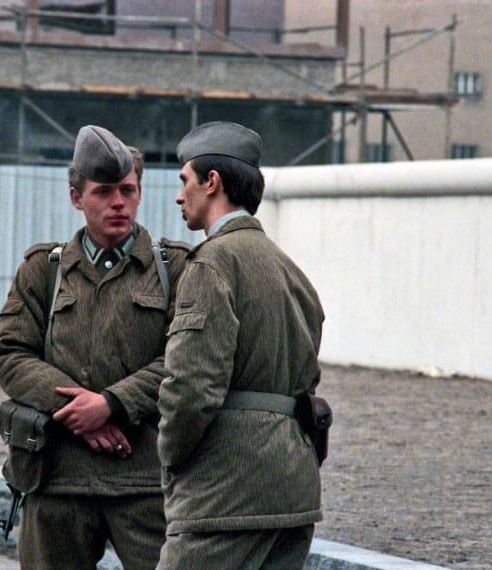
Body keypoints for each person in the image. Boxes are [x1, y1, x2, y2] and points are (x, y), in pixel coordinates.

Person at [0, 125, 189, 569]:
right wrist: (81, 415)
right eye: (103, 192)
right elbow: (11, 353)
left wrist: (112, 404)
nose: (118, 203)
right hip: (58, 479)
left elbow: (186, 360)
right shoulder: (44, 270)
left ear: (140, 193)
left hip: (144, 485)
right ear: (76, 198)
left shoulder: (175, 268)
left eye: (127, 190)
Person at [156, 121, 326, 569]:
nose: (179, 195)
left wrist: (170, 459)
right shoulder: (290, 271)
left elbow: (191, 386)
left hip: (225, 495)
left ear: (212, 183)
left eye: (184, 181)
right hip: (292, 490)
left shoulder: (212, 263)